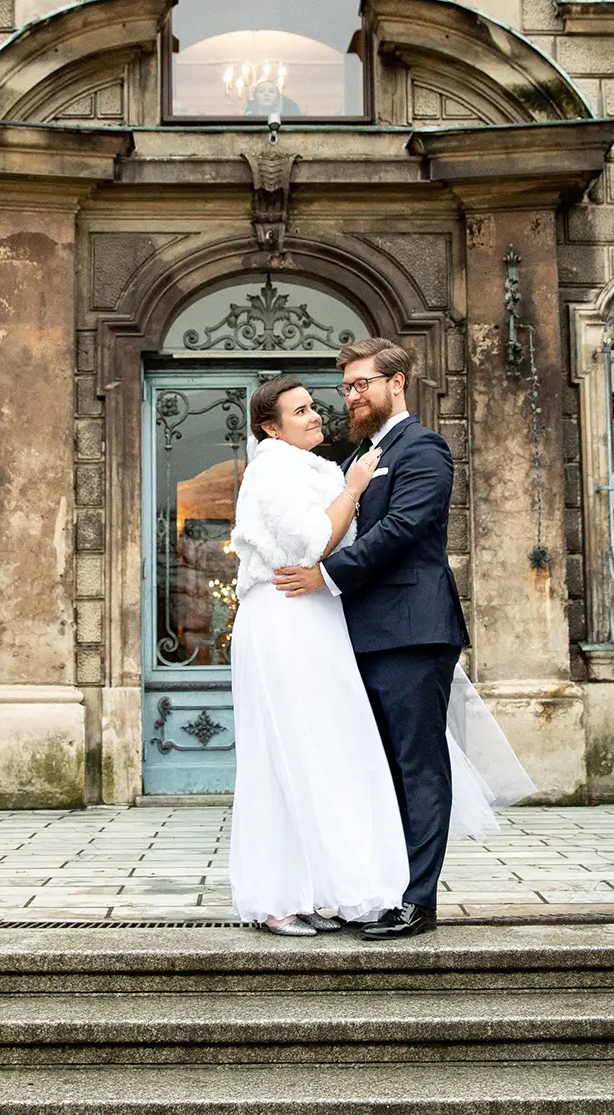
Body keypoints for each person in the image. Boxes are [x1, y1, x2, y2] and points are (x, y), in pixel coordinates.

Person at [270, 338, 531, 941]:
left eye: (362, 383)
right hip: (359, 634)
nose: (352, 396)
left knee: (418, 766)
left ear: (397, 383)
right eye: (346, 387)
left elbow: (405, 527)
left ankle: (417, 902)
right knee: (378, 768)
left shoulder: (424, 447)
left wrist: (325, 575)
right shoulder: (359, 456)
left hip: (412, 631)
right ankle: (382, 891)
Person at [227, 374, 408, 935]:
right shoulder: (272, 470)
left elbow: (337, 547)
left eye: (313, 406)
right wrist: (352, 490)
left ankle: (312, 889)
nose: (315, 416)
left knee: (325, 749)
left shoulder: (315, 469)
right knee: (285, 752)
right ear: (270, 428)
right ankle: (276, 899)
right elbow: (311, 542)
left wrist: (346, 490)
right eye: (300, 411)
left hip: (317, 617)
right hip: (283, 618)